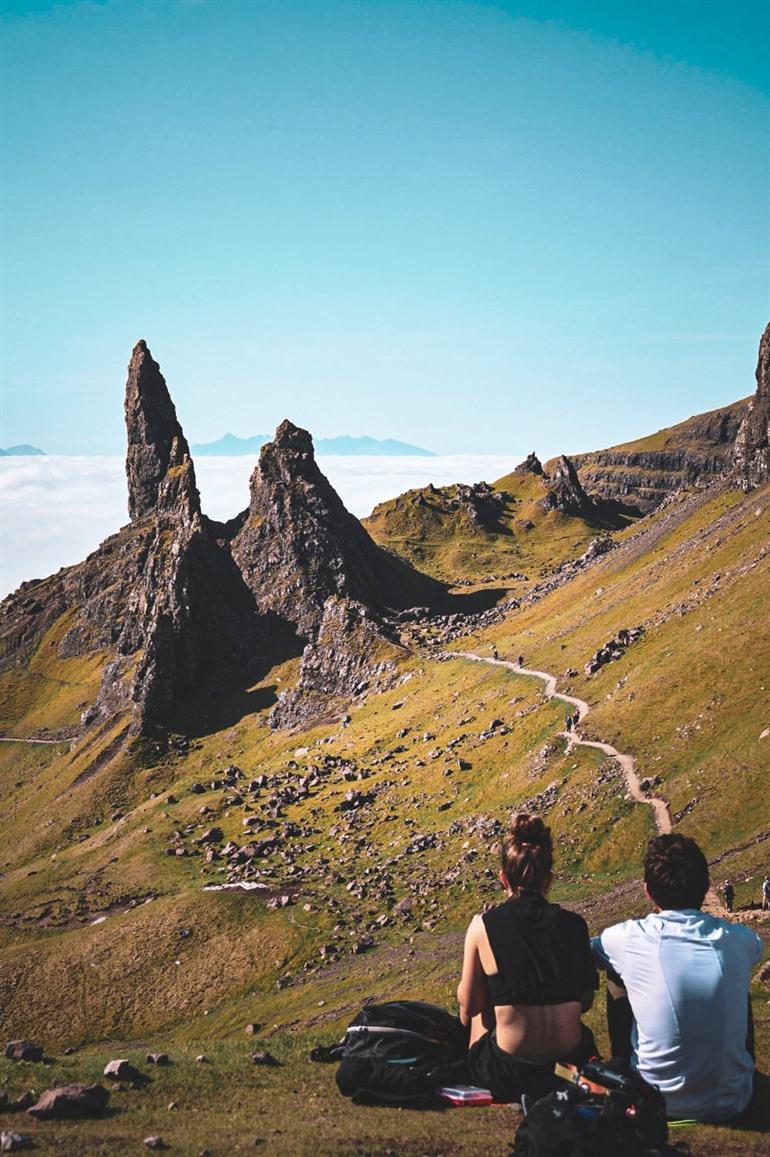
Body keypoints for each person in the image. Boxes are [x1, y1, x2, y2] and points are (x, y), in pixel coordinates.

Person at [592, 833, 762, 1122]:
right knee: (733, 979)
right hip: (734, 1100)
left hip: (654, 1100)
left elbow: (584, 952)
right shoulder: (739, 940)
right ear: (706, 887)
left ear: (648, 891)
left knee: (616, 972)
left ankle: (622, 1063)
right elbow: (757, 947)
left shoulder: (628, 938)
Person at [459, 813, 598, 1102]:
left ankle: (462, 1066)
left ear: (503, 878)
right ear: (548, 880)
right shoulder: (574, 925)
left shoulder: (483, 925)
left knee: (482, 1004)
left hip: (510, 1073)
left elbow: (469, 1005)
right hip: (568, 1069)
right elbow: (585, 1003)